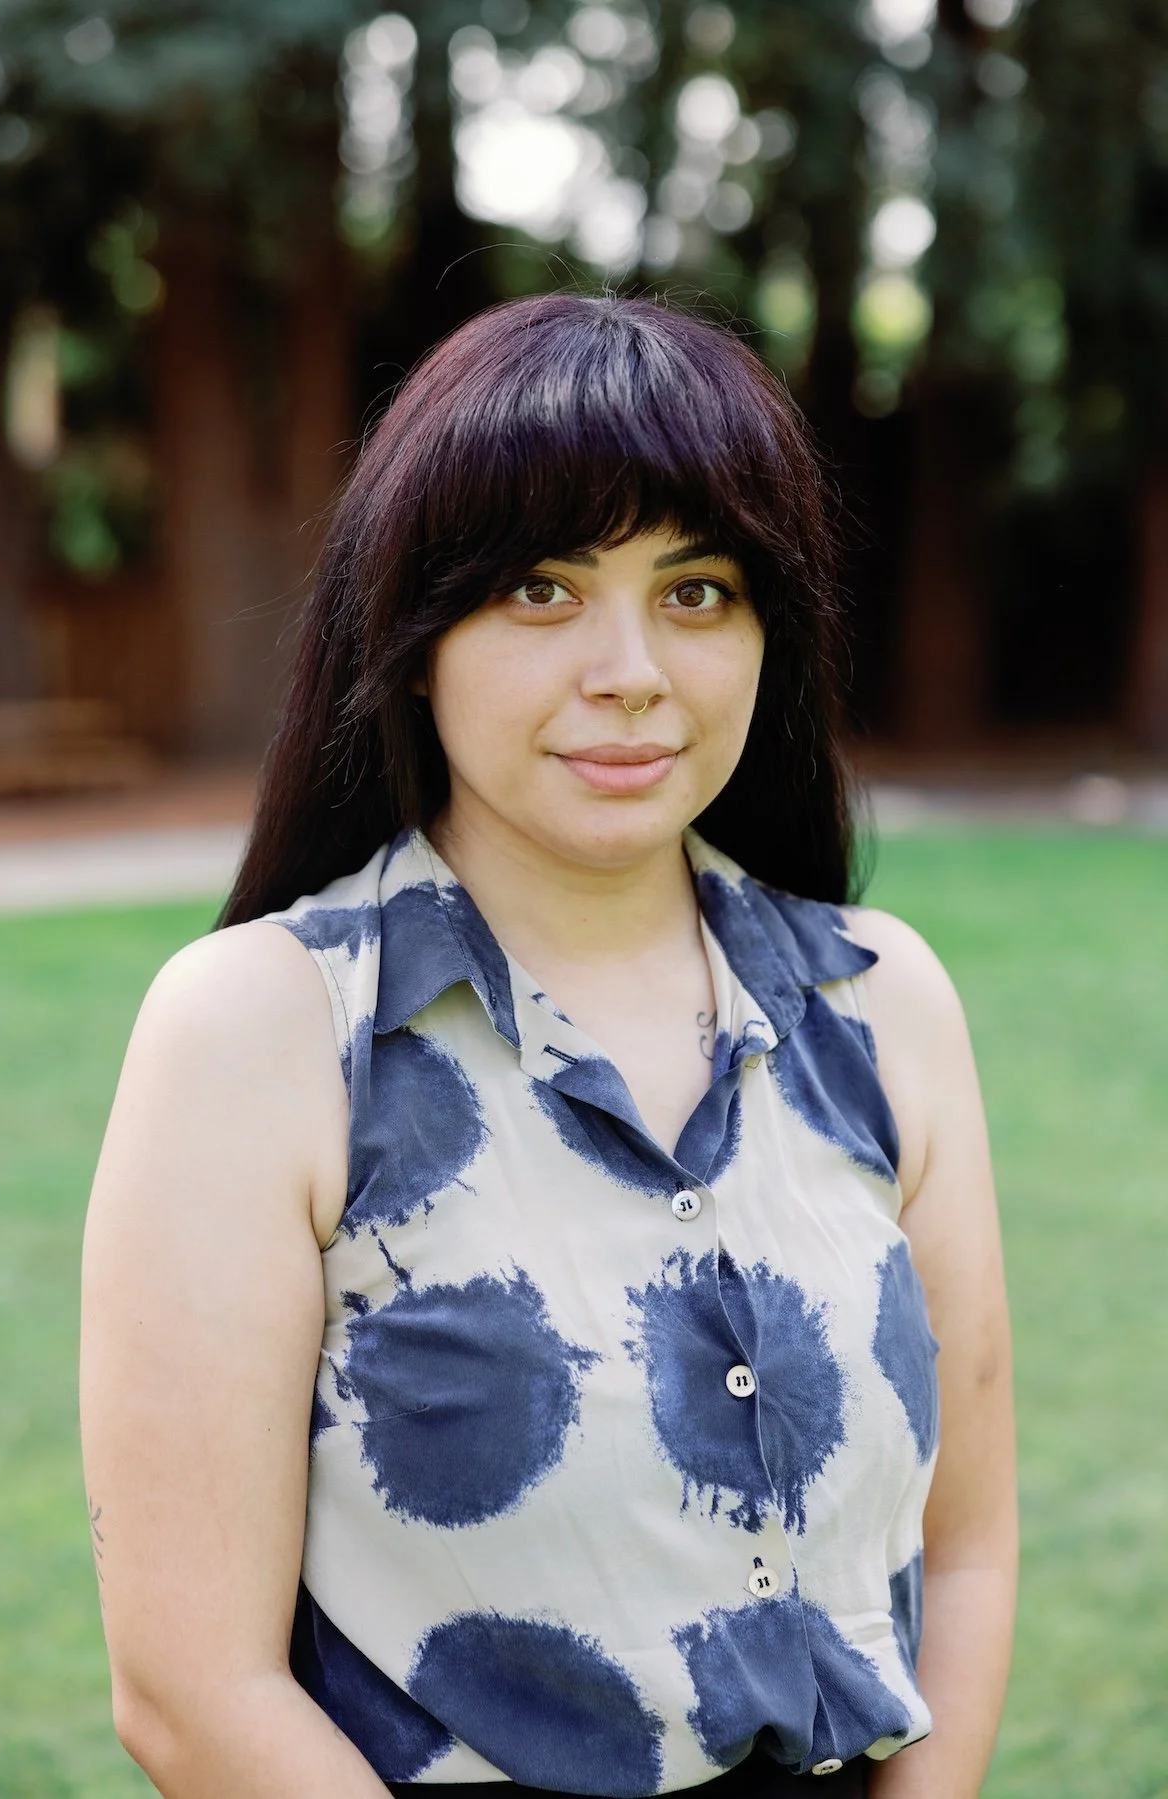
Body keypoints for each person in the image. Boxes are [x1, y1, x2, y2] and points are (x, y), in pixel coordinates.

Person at [80, 293, 1016, 1799]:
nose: (633, 667)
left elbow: (963, 1547)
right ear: (414, 627)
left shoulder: (879, 1001)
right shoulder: (263, 1032)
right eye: (541, 588)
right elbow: (190, 1689)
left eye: (698, 588)